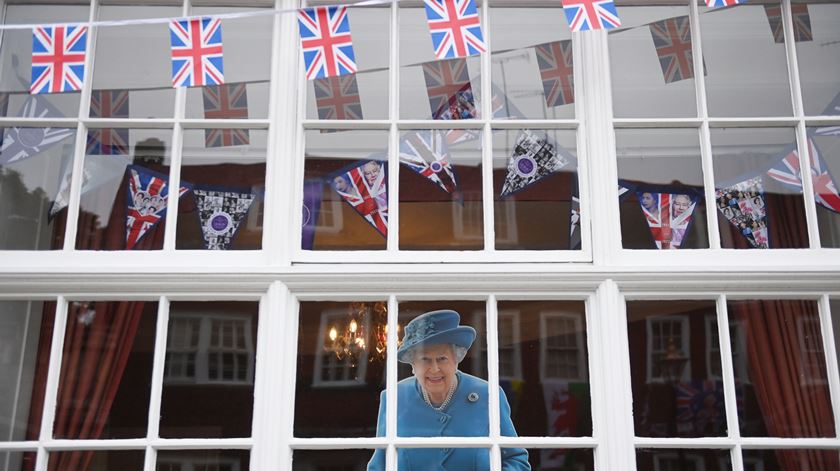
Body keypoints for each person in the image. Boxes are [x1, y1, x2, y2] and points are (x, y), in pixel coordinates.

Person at [367, 310, 530, 471]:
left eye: (442, 358)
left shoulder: (489, 396)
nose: (435, 369)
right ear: (413, 365)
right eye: (425, 359)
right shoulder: (394, 399)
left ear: (456, 359)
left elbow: (516, 460)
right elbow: (379, 465)